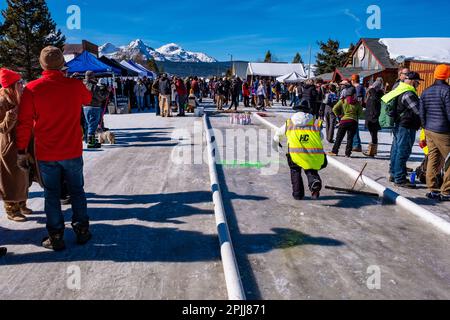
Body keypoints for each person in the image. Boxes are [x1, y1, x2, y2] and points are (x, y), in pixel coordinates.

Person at [16, 46, 93, 251]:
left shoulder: (32, 89)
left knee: (51, 194)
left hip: (47, 152)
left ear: (42, 65)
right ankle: (82, 230)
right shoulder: (74, 86)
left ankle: (56, 235)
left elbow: (24, 123)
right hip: (72, 149)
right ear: (62, 64)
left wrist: (21, 150)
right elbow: (87, 98)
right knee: (77, 190)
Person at [273, 100, 327, 200]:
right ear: (307, 111)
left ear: (296, 110)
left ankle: (298, 194)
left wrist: (277, 141)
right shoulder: (315, 122)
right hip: (312, 153)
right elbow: (321, 137)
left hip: (294, 153)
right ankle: (314, 183)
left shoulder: (289, 122)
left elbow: (278, 133)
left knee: (295, 171)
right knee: (311, 169)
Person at [0, 68, 32, 223]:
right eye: (18, 83)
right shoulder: (2, 102)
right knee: (11, 179)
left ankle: (22, 203)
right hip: (8, 146)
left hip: (21, 143)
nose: (22, 85)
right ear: (11, 86)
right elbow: (1, 128)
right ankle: (11, 210)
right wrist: (11, 116)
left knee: (23, 175)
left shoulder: (19, 97)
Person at [383, 71, 423, 188]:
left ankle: (394, 174)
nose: (418, 85)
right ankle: (399, 178)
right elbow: (418, 111)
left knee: (396, 150)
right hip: (406, 126)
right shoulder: (408, 93)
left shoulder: (399, 89)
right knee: (403, 151)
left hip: (399, 124)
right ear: (411, 81)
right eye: (417, 82)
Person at [420, 64, 450, 200]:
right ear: (447, 75)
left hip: (429, 129)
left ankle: (433, 189)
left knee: (433, 158)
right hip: (443, 130)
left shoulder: (426, 91)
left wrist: (425, 127)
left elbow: (422, 113)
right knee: (449, 159)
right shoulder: (447, 91)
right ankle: (446, 191)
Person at [327, 87, 363, 157]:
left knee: (339, 137)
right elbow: (360, 113)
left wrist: (339, 115)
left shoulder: (343, 100)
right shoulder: (357, 102)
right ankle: (348, 153)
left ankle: (335, 151)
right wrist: (355, 116)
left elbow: (334, 108)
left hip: (344, 121)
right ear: (354, 94)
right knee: (350, 138)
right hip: (353, 122)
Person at [84, 71, 109, 148]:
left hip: (85, 107)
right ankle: (91, 143)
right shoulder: (93, 86)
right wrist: (107, 91)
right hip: (94, 107)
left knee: (88, 124)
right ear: (92, 77)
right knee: (92, 125)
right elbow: (100, 97)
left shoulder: (83, 84)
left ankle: (88, 140)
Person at [363, 77, 384, 157]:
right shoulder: (375, 92)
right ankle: (372, 150)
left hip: (373, 114)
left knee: (373, 133)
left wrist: (371, 89)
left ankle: (372, 151)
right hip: (371, 113)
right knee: (373, 133)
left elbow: (375, 99)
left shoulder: (377, 92)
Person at [351, 74, 366, 153]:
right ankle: (355, 144)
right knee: (354, 127)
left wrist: (356, 108)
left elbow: (359, 99)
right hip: (357, 109)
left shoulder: (358, 88)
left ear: (353, 80)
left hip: (355, 109)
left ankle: (356, 144)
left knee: (354, 127)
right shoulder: (360, 87)